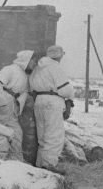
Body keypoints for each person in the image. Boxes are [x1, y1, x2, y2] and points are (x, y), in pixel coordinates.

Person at [29, 45, 75, 173]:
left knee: (42, 138)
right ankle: (49, 167)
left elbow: (31, 86)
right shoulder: (55, 67)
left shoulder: (38, 68)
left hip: (38, 101)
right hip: (52, 101)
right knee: (54, 137)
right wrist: (70, 97)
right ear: (59, 55)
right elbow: (64, 89)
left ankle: (40, 167)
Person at [0, 50, 36, 161]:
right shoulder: (10, 69)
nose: (34, 64)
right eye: (33, 61)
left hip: (12, 111)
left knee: (17, 134)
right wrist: (3, 101)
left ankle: (17, 161)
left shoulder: (25, 75)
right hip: (0, 110)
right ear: (26, 60)